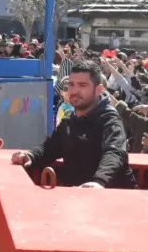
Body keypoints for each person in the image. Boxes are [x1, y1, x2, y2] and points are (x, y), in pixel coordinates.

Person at [12, 60, 136, 189]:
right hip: (77, 197)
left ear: (99, 90)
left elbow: (114, 152)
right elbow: (50, 147)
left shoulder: (109, 119)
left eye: (82, 85)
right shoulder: (69, 120)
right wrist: (30, 156)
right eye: (71, 84)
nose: (74, 91)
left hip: (113, 198)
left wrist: (99, 181)